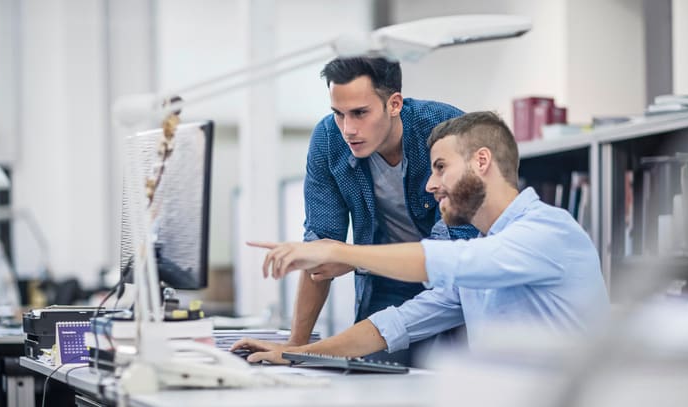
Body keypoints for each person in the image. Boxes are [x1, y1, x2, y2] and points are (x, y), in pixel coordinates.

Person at [233, 111, 610, 363]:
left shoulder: (548, 232)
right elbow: (396, 324)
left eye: (441, 168)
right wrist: (298, 353)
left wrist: (338, 251)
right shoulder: (484, 254)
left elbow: (446, 261)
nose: (431, 184)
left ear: (481, 162)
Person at [288, 56, 478, 365]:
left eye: (360, 113)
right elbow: (321, 249)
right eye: (339, 114)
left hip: (454, 282)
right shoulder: (328, 140)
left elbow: (449, 255)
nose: (348, 129)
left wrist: (350, 259)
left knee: (451, 376)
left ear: (394, 104)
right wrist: (294, 348)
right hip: (383, 279)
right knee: (371, 374)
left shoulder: (446, 130)